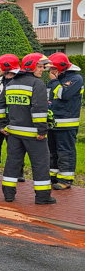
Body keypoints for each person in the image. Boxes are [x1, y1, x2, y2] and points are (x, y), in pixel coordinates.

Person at [0, 52, 54, 204]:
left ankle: (8, 195)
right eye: (40, 67)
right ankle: (42, 197)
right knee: (40, 164)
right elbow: (39, 109)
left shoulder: (12, 83)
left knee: (12, 164)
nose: (43, 70)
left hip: (14, 134)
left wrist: (1, 125)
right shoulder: (37, 84)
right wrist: (42, 130)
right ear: (32, 67)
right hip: (34, 135)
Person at [47, 52, 83, 190]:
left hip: (67, 123)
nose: (50, 72)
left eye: (53, 69)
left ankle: (66, 180)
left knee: (65, 152)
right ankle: (53, 176)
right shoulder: (55, 79)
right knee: (52, 151)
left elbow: (64, 94)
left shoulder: (76, 79)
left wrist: (55, 81)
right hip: (53, 122)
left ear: (61, 68)